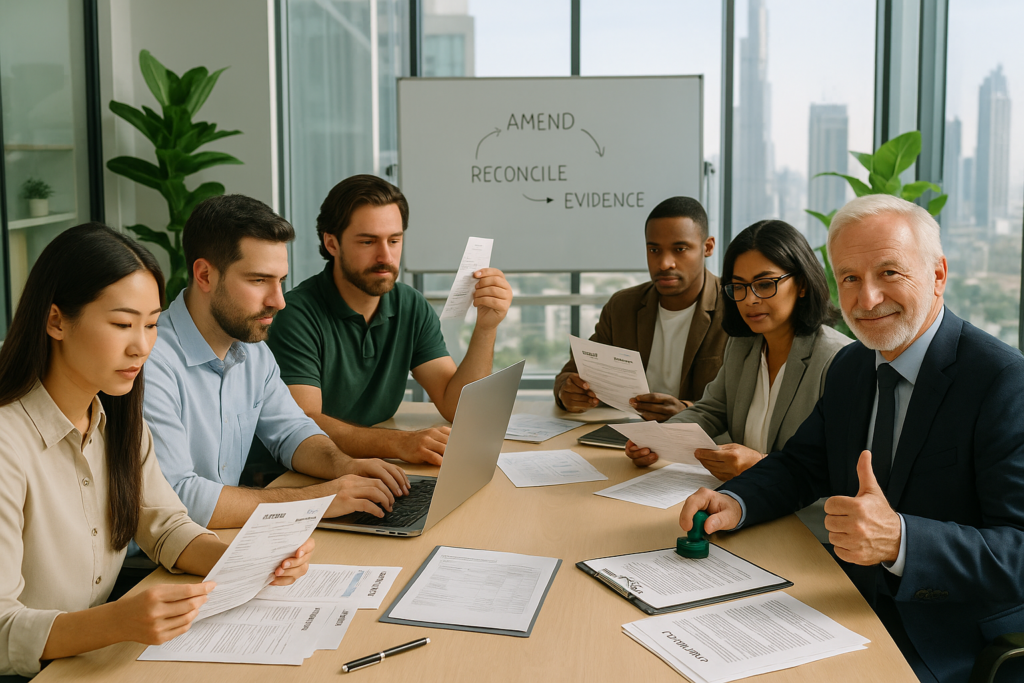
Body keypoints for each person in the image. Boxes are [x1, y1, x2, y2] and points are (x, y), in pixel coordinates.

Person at [678, 195, 1024, 682]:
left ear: (938, 275)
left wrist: (901, 540)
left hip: (945, 635)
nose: (867, 300)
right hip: (840, 597)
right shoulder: (852, 366)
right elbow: (802, 464)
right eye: (850, 278)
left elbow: (1018, 551)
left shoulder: (1002, 381)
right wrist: (735, 501)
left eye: (889, 273)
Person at [0, 224, 313, 678]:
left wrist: (247, 559)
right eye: (122, 324)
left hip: (89, 660)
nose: (142, 346)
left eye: (150, 325)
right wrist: (117, 621)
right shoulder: (9, 442)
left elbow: (164, 524)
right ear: (56, 321)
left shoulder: (117, 416)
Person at [143, 194, 410, 530]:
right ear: (205, 275)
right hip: (153, 564)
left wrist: (345, 466)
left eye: (280, 281)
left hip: (223, 536)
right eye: (258, 280)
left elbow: (291, 432)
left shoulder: (251, 349)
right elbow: (178, 497)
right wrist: (319, 500)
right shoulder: (150, 361)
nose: (279, 301)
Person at [264, 174, 513, 466]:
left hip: (370, 466)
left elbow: (458, 406)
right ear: (332, 244)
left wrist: (486, 327)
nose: (385, 256)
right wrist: (399, 443)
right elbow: (304, 424)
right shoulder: (296, 313)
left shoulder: (410, 305)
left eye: (394, 240)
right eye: (368, 241)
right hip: (302, 471)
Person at [624, 220, 850, 539]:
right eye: (739, 286)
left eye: (765, 283)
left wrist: (759, 464)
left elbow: (840, 474)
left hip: (801, 528)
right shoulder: (743, 345)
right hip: (740, 510)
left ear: (801, 284)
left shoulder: (839, 360)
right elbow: (712, 409)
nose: (750, 299)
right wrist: (659, 439)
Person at [553, 196, 728, 421]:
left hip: (705, 443)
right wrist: (567, 392)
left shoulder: (734, 307)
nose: (665, 263)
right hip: (630, 437)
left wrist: (687, 411)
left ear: (708, 247)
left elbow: (746, 397)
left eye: (680, 249)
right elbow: (570, 374)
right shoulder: (623, 307)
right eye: (654, 250)